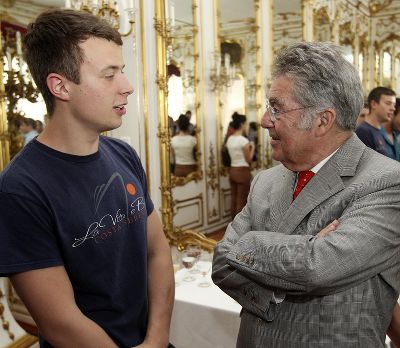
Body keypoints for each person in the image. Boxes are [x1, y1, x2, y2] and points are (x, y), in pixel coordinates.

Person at [0, 9, 174, 348]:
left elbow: (157, 251)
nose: (127, 87)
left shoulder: (124, 155)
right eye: (109, 75)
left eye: (121, 71)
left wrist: (155, 340)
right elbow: (60, 322)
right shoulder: (20, 189)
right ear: (61, 86)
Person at [212, 42, 400, 347]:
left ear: (322, 120)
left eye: (276, 107)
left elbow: (319, 266)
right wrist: (300, 255)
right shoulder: (265, 181)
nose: (263, 120)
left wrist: (242, 245)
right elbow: (220, 265)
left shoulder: (386, 181)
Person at [225, 112, 254, 219]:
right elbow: (248, 160)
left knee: (234, 198)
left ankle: (232, 224)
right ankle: (239, 228)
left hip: (232, 170)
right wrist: (253, 148)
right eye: (245, 124)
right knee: (241, 200)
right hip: (242, 171)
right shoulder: (243, 141)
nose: (246, 126)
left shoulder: (230, 139)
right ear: (242, 124)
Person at [355, 86, 396, 157]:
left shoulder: (379, 131)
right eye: (388, 103)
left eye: (394, 105)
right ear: (374, 104)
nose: (393, 108)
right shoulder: (363, 132)